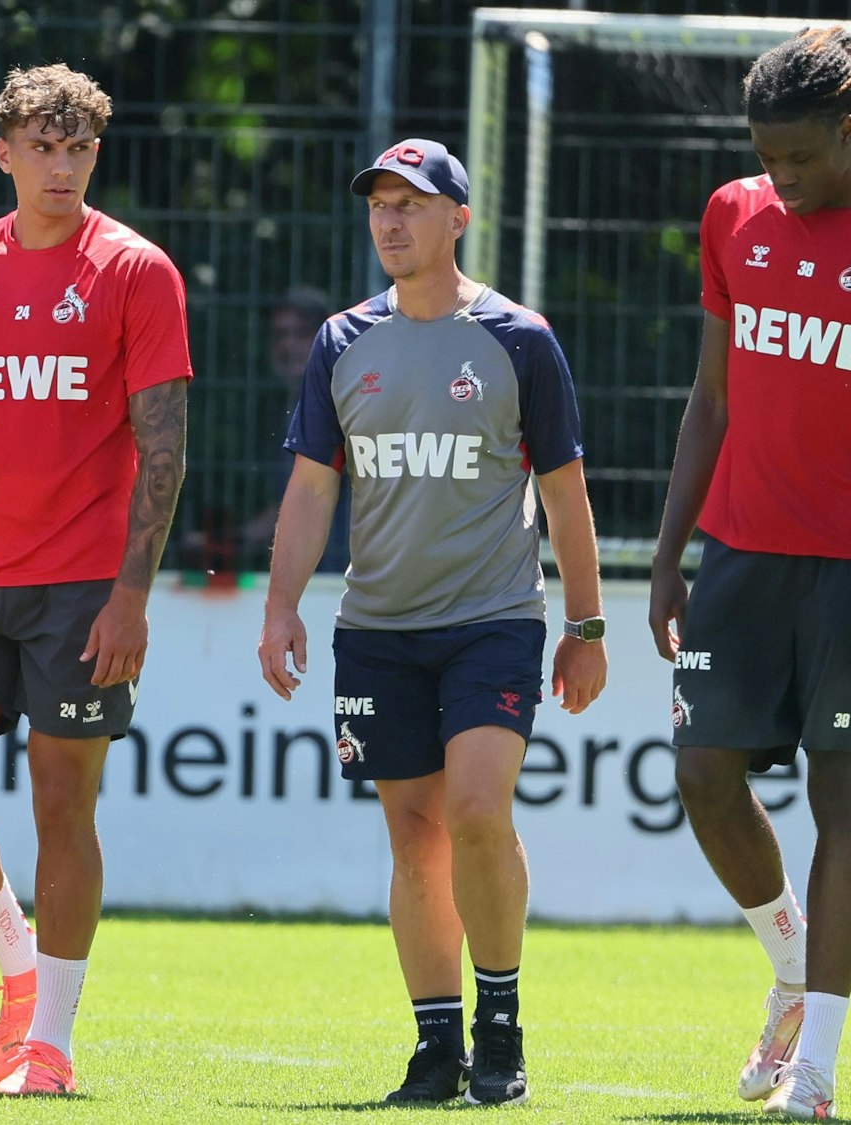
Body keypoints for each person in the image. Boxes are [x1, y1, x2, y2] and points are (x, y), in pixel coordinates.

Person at [648, 28, 851, 1120]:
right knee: (702, 773)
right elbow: (708, 402)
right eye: (765, 156)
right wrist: (666, 555)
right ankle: (786, 967)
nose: (779, 177)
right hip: (739, 551)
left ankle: (819, 1068)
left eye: (798, 156)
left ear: (847, 129)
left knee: (841, 796)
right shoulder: (730, 215)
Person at [257, 138, 607, 1108]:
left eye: (410, 203)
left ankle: (500, 1028)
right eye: (378, 203)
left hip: (492, 618)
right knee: (413, 839)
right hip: (376, 628)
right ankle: (433, 1048)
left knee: (474, 811)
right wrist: (281, 604)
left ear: (457, 217)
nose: (389, 219)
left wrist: (587, 624)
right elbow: (308, 491)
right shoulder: (338, 342)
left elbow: (566, 493)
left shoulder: (518, 339)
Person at [0, 63, 192, 1096]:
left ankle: (51, 1044)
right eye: (41, 144)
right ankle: (18, 973)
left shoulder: (135, 269)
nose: (61, 165)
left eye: (78, 147)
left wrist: (131, 596)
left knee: (60, 807)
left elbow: (162, 447)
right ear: (3, 153)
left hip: (82, 585)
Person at [240, 286, 350, 571]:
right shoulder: (290, 404)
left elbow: (308, 496)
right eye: (279, 335)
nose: (288, 346)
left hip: (342, 572)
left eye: (300, 333)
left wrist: (238, 540)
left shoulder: (343, 399)